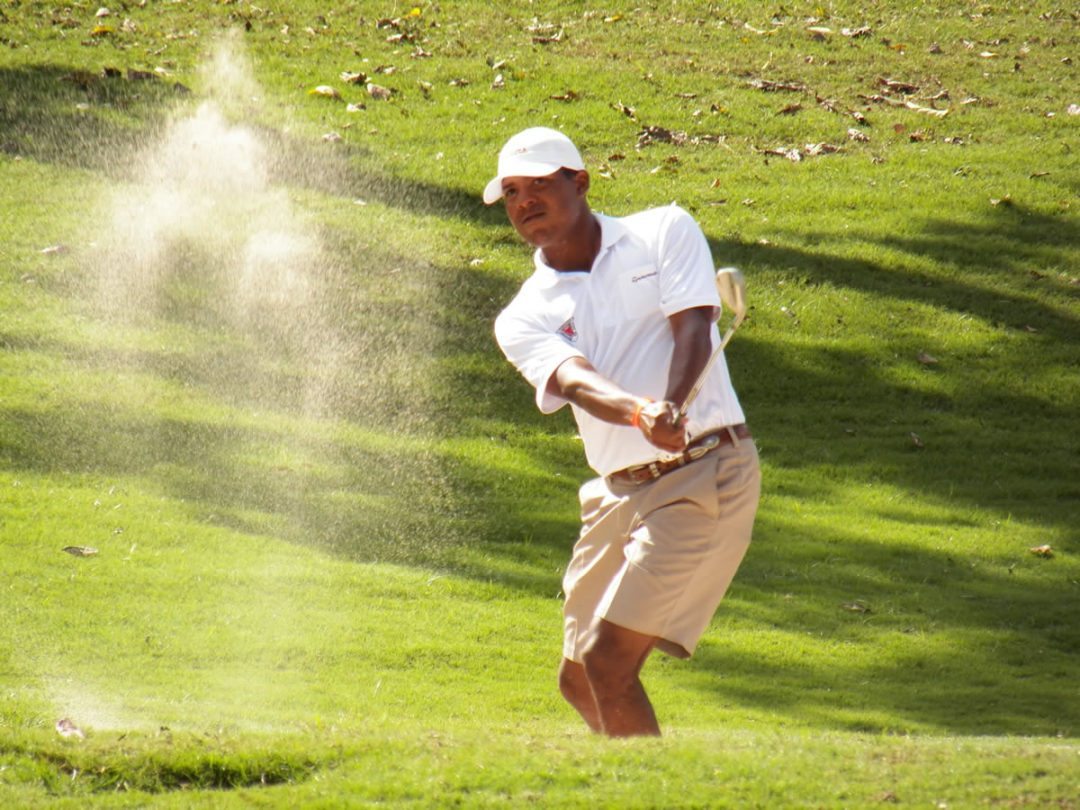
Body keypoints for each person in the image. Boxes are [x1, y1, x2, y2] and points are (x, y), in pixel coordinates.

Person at [487, 127, 761, 737]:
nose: (525, 201)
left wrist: (672, 406)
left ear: (580, 182)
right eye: (511, 192)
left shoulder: (662, 230)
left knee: (608, 663)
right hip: (617, 490)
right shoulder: (522, 315)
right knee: (578, 678)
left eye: (539, 184)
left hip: (703, 468)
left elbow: (694, 325)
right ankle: (642, 778)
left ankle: (653, 786)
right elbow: (575, 380)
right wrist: (642, 413)